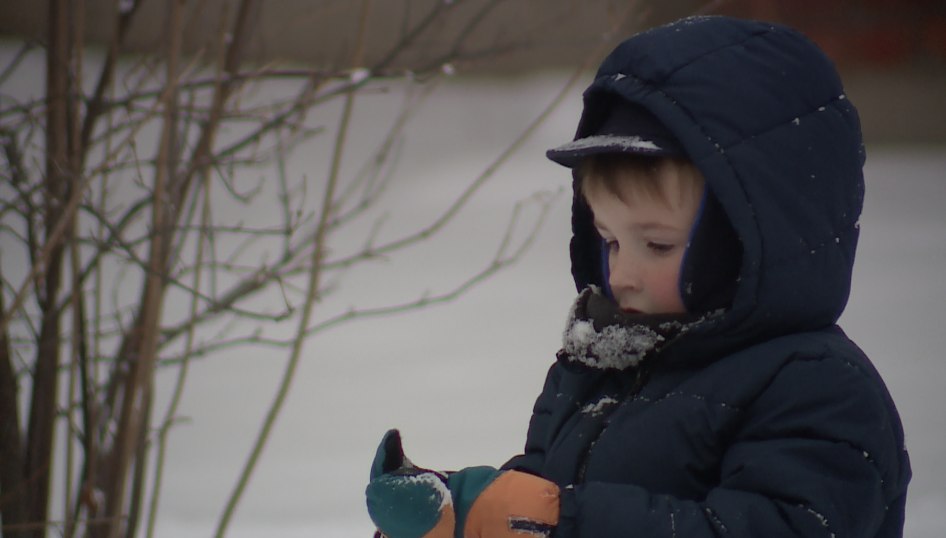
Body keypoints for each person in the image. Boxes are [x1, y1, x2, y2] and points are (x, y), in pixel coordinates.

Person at [366, 15, 911, 538]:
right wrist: (467, 513)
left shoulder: (819, 391)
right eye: (609, 240)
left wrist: (562, 522)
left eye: (657, 244)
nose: (621, 272)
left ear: (754, 240)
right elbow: (545, 491)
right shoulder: (600, 363)